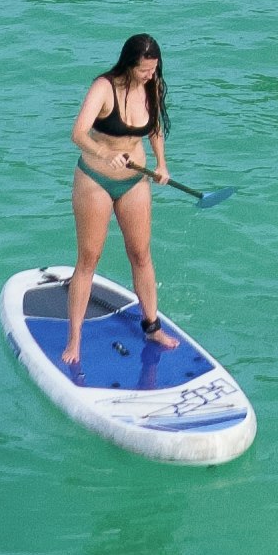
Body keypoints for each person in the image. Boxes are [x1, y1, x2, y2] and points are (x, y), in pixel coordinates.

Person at [59, 32, 180, 366]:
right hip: (95, 181)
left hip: (134, 180)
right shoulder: (104, 87)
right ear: (129, 65)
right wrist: (102, 152)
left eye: (154, 70)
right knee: (89, 258)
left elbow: (154, 127)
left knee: (140, 254)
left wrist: (161, 164)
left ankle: (152, 326)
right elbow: (78, 133)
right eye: (144, 70)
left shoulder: (151, 86)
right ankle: (74, 340)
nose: (150, 76)